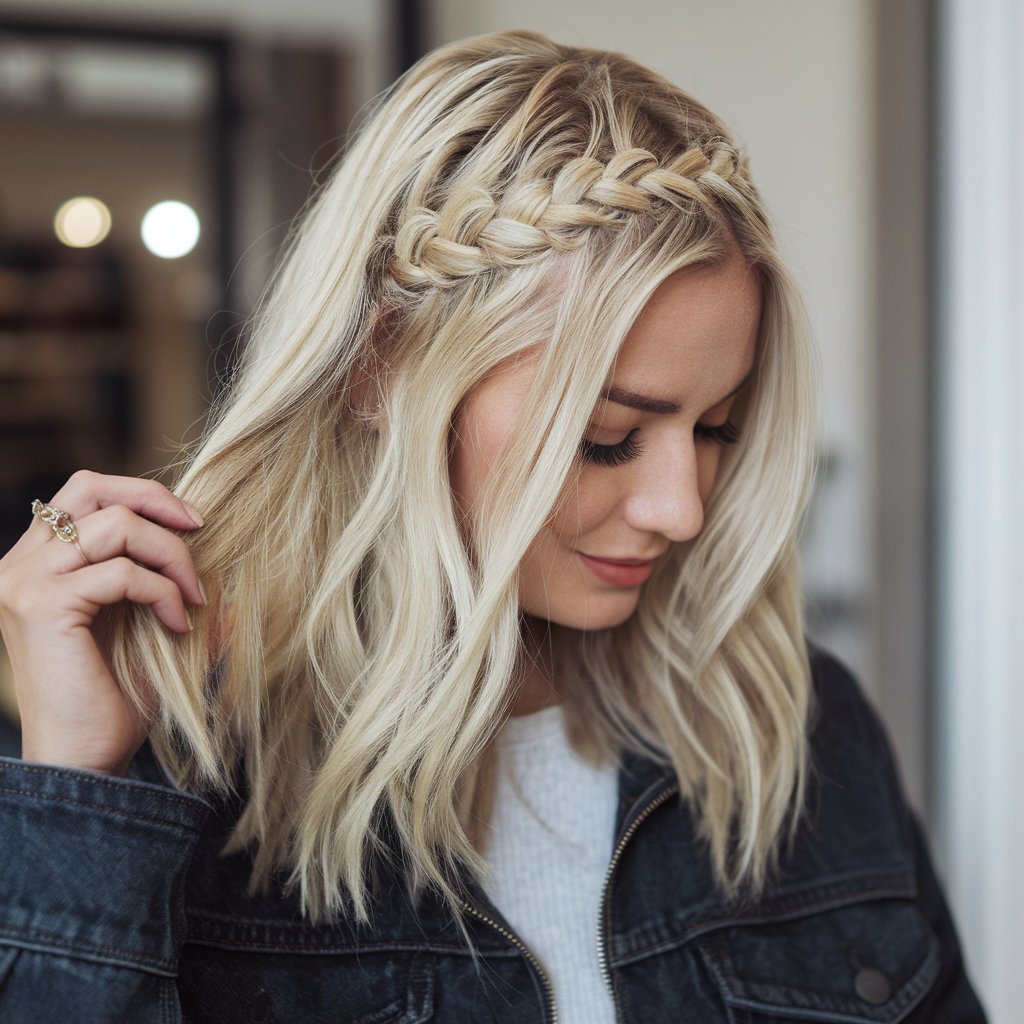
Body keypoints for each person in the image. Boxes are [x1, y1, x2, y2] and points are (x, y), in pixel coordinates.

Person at [0, 29, 986, 1024]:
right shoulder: (176, 773)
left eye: (717, 427)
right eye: (605, 438)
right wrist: (79, 792)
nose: (679, 508)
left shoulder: (796, 730)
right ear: (384, 366)